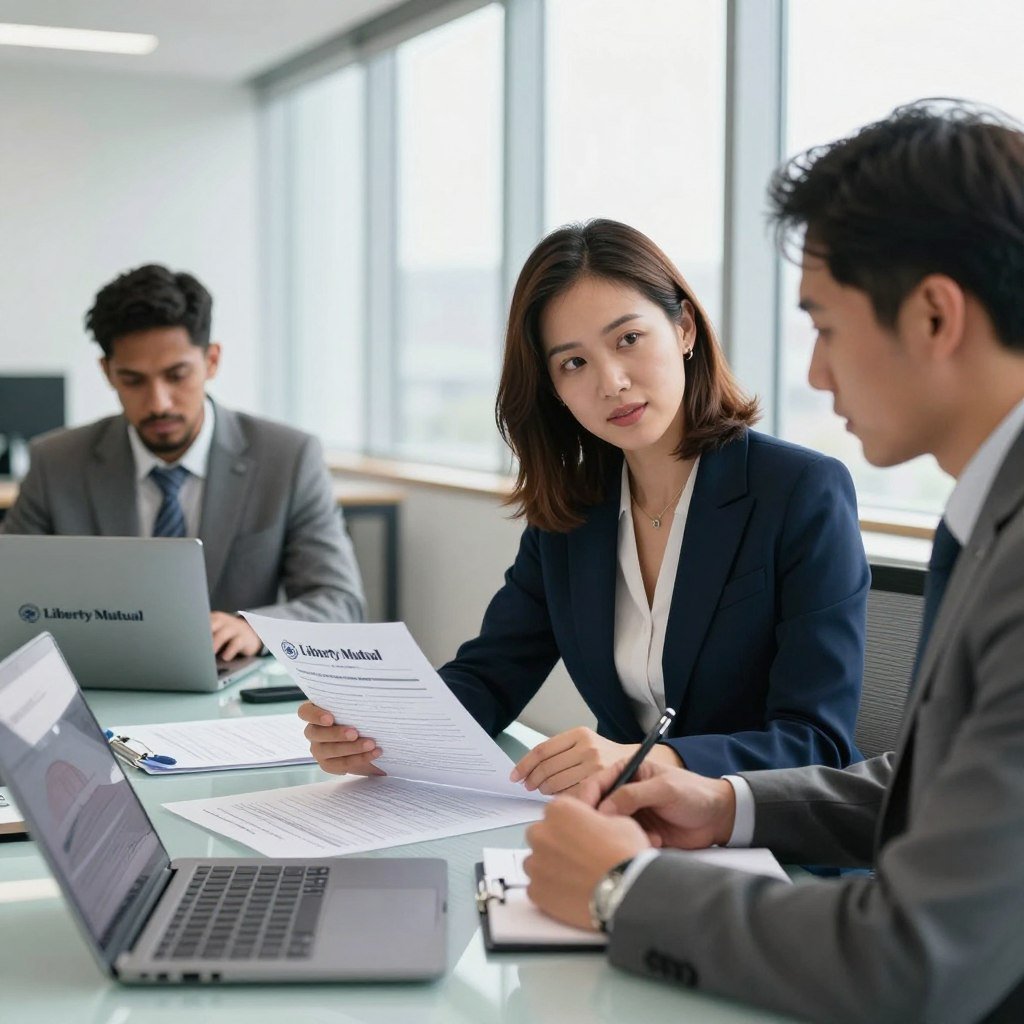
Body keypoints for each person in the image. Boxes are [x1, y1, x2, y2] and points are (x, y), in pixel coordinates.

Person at [523, 100, 1024, 1024]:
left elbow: (915, 960)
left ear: (934, 315)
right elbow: (931, 782)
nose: (817, 373)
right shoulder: (991, 518)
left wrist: (621, 892)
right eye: (572, 364)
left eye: (826, 326)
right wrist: (727, 803)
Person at [300, 219, 869, 791]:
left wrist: (646, 762)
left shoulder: (798, 491)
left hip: (763, 841)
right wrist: (383, 735)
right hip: (618, 829)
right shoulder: (575, 508)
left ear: (685, 328)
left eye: (628, 339)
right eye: (574, 363)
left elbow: (815, 740)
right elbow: (490, 678)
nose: (612, 382)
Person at [1, 263, 365, 658]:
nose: (159, 402)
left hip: (230, 687)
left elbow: (340, 603)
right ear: (107, 373)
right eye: (134, 380)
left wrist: (256, 629)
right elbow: (9, 596)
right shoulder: (55, 462)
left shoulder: (288, 459)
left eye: (177, 376)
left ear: (211, 360)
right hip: (99, 680)